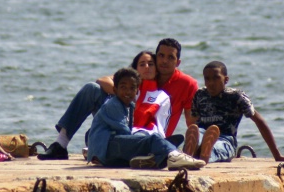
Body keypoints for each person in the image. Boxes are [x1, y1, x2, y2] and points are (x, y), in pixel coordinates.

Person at [38, 41, 195, 160]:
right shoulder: (138, 76)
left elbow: (191, 120)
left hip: (150, 132)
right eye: (160, 56)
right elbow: (103, 80)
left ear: (178, 62)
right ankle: (61, 144)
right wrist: (126, 93)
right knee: (91, 89)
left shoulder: (186, 84)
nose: (164, 61)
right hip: (120, 121)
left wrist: (195, 143)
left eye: (170, 57)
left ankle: (101, 146)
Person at [85, 67, 205, 170]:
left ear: (137, 91)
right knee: (151, 139)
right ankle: (173, 155)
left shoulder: (130, 106)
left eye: (132, 88)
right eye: (123, 87)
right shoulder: (113, 104)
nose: (128, 91)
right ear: (115, 90)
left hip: (113, 154)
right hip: (105, 148)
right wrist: (143, 141)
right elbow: (125, 133)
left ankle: (151, 157)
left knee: (150, 139)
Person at [183, 60, 284, 164]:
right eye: (207, 79)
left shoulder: (236, 96)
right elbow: (194, 122)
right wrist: (195, 132)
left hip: (225, 138)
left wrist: (277, 155)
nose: (211, 83)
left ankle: (202, 153)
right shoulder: (200, 95)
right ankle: (196, 150)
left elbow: (259, 121)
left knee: (218, 148)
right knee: (197, 133)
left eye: (216, 78)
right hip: (202, 132)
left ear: (226, 80)